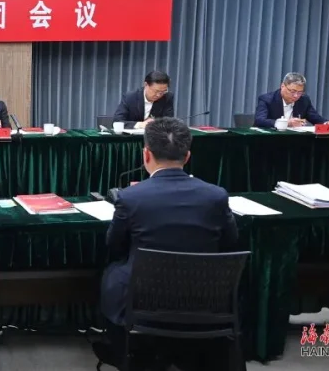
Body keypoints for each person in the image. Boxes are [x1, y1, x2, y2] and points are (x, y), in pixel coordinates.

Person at [95, 117, 238, 367]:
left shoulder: (130, 197)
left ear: (146, 154)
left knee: (113, 273)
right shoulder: (216, 195)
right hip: (203, 296)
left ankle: (120, 349)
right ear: (187, 156)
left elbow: (114, 245)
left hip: (143, 298)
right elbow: (230, 242)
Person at [254, 72, 329, 129]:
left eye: (300, 92)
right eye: (292, 91)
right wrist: (286, 123)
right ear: (282, 86)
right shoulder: (267, 99)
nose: (296, 96)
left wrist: (327, 123)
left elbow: (315, 118)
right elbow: (260, 120)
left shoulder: (304, 100)